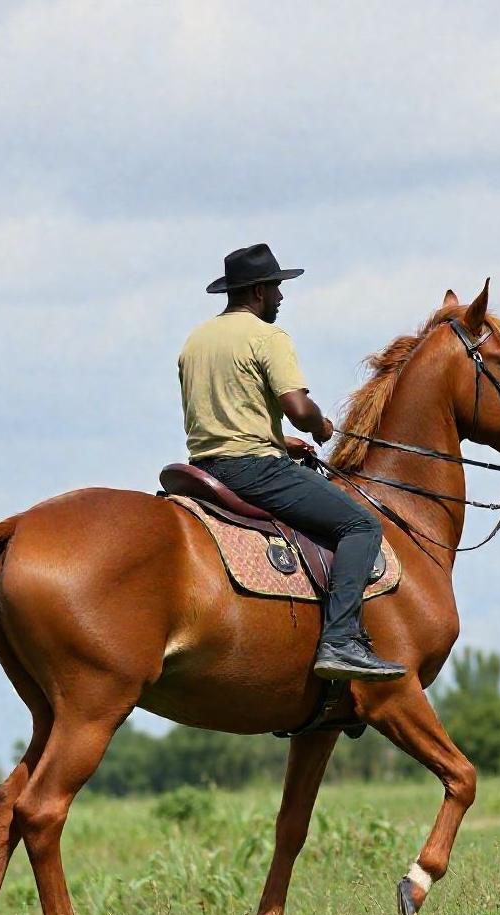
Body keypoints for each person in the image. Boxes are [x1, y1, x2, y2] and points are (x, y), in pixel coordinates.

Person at [177, 243, 406, 682]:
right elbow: (298, 407)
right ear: (258, 291)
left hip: (204, 468)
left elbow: (218, 417)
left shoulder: (195, 341)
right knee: (361, 526)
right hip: (254, 470)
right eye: (277, 288)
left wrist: (280, 440)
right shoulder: (268, 338)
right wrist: (319, 426)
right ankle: (340, 642)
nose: (281, 297)